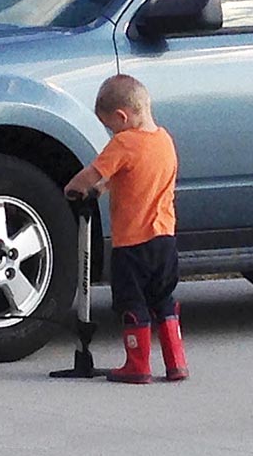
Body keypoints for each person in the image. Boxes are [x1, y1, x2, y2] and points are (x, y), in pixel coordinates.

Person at [64, 74, 188, 384]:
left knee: (132, 303)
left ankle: (138, 365)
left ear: (122, 117)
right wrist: (103, 189)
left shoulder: (124, 142)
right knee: (164, 300)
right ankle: (176, 363)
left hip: (133, 244)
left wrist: (71, 189)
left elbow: (93, 173)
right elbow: (130, 176)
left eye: (110, 126)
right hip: (165, 240)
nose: (111, 132)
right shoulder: (164, 141)